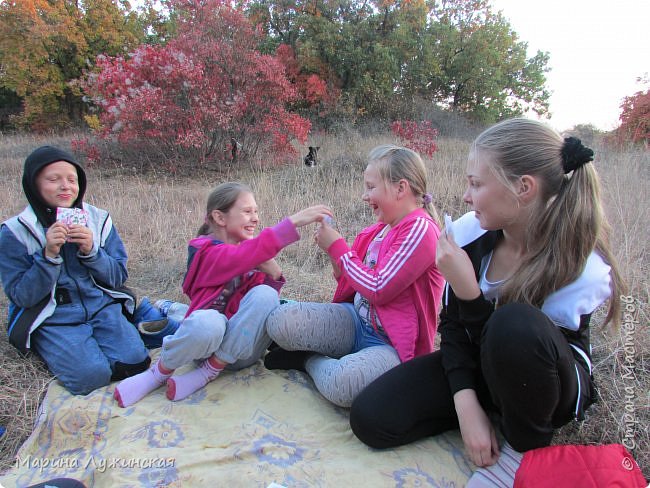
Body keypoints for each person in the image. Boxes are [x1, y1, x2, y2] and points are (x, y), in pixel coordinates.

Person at [349, 119, 624, 486]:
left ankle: (522, 449)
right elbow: (452, 328)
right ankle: (489, 417)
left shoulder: (579, 267)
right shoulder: (472, 235)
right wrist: (466, 406)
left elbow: (516, 351)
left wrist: (470, 295)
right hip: (481, 365)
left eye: (476, 184)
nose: (465, 196)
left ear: (523, 188)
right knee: (371, 419)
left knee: (513, 324)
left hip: (543, 389)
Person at [114, 182, 331, 407]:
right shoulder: (204, 251)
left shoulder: (248, 255)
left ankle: (209, 372)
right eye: (247, 211)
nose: (255, 218)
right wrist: (293, 222)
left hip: (240, 353)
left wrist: (274, 274)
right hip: (204, 346)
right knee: (210, 322)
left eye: (256, 212)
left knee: (266, 294)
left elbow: (260, 308)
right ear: (220, 217)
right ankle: (158, 373)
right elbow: (235, 257)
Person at [264, 145, 445, 407]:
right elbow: (350, 282)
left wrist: (338, 247)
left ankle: (307, 360)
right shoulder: (378, 231)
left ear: (400, 188)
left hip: (391, 346)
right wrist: (332, 252)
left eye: (371, 187)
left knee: (342, 384)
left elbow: (378, 288)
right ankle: (337, 354)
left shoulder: (421, 229)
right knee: (280, 321)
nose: (364, 196)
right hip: (356, 321)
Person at [0, 146, 150, 395]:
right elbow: (21, 296)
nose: (65, 186)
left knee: (136, 363)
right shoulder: (15, 232)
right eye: (53, 179)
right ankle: (46, 343)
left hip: (100, 306)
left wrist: (92, 251)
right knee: (91, 378)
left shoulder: (98, 219)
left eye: (72, 179)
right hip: (53, 317)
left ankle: (95, 343)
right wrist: (48, 256)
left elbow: (118, 277)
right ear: (33, 184)